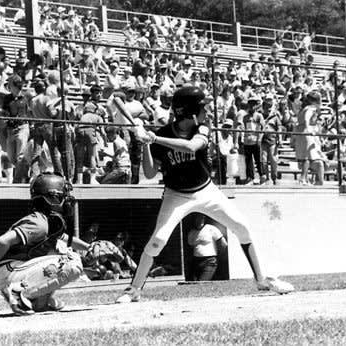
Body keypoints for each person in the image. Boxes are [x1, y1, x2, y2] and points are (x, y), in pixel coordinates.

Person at [116, 86, 294, 304]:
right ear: (189, 111)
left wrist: (153, 139)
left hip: (206, 191)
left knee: (242, 227)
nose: (207, 112)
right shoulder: (161, 134)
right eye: (203, 108)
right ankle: (133, 290)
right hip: (176, 195)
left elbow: (192, 147)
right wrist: (143, 142)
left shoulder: (202, 128)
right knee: (158, 240)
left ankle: (262, 280)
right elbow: (151, 172)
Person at [0, 172, 105, 315]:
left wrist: (88, 247)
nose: (66, 200)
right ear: (52, 198)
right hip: (9, 271)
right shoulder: (39, 223)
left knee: (56, 251)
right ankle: (17, 293)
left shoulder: (48, 221)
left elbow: (65, 238)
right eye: (62, 196)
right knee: (72, 260)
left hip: (16, 270)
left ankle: (39, 302)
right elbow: (2, 241)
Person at [185, 213, 227, 281]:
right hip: (196, 261)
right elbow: (190, 247)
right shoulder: (191, 232)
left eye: (202, 218)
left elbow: (223, 244)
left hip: (210, 261)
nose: (200, 220)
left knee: (202, 282)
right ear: (194, 220)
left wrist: (218, 257)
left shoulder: (211, 228)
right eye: (198, 218)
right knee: (193, 282)